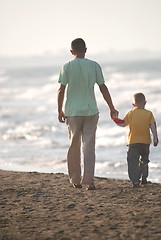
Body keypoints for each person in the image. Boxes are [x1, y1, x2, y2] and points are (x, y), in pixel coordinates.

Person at [57, 38, 118, 190]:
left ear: (71, 52)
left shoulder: (67, 66)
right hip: (91, 111)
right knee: (89, 146)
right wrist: (111, 107)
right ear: (86, 49)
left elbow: (61, 90)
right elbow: (103, 88)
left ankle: (76, 180)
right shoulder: (94, 65)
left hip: (73, 112)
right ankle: (89, 182)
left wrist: (59, 110)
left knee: (74, 145)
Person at [112, 92, 159, 187]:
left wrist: (115, 119)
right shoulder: (149, 114)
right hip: (145, 142)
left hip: (133, 142)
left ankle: (135, 181)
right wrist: (155, 138)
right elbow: (153, 126)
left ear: (134, 104)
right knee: (144, 160)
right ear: (145, 102)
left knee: (133, 161)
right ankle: (144, 178)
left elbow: (123, 123)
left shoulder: (131, 113)